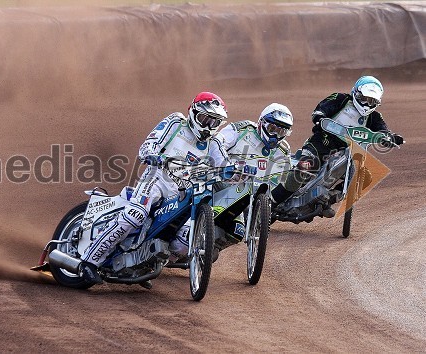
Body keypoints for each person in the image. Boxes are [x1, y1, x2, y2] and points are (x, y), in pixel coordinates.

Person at [78, 92, 230, 285]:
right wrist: (151, 154)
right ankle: (88, 262)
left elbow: (226, 167)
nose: (208, 126)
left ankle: (142, 263)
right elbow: (150, 142)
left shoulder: (214, 143)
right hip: (157, 179)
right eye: (205, 119)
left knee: (184, 241)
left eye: (214, 122)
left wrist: (239, 173)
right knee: (136, 214)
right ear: (193, 112)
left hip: (182, 192)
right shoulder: (176, 123)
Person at [270, 76, 404, 212]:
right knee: (305, 168)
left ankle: (328, 198)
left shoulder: (375, 117)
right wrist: (319, 115)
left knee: (366, 177)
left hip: (348, 152)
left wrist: (390, 138)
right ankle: (272, 202)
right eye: (364, 99)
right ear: (356, 93)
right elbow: (322, 109)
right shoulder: (341, 99)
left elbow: (383, 131)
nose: (367, 104)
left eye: (372, 101)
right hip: (321, 143)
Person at [212, 103, 293, 253]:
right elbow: (217, 141)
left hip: (249, 199)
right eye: (272, 129)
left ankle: (211, 247)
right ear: (262, 122)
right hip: (220, 185)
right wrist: (226, 165)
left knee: (237, 232)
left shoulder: (284, 150)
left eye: (281, 132)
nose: (275, 136)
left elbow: (284, 177)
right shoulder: (242, 129)